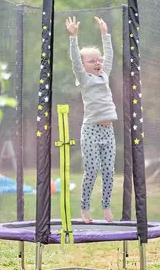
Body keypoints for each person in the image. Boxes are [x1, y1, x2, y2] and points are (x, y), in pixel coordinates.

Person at [65, 16, 117, 223]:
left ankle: (106, 207)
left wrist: (105, 34)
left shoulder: (104, 75)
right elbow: (75, 60)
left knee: (109, 171)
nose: (97, 62)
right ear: (84, 65)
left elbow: (109, 55)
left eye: (98, 60)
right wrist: (73, 37)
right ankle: (85, 209)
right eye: (92, 60)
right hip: (91, 130)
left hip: (108, 131)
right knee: (92, 170)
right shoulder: (84, 78)